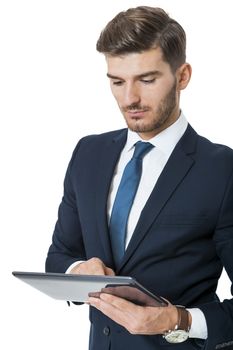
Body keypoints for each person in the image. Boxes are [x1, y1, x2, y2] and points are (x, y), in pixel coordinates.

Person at [45, 6, 233, 350]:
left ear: (183, 76)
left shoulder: (222, 170)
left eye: (147, 80)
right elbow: (60, 254)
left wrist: (179, 319)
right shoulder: (88, 153)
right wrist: (77, 270)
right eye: (117, 82)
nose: (130, 98)